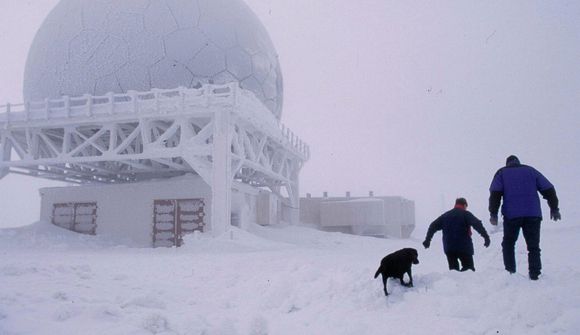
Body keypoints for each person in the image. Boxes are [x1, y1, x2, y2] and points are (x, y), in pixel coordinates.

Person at [489, 155, 561, 280]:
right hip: (533, 214)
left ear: (507, 164)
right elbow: (548, 188)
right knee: (533, 246)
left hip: (512, 215)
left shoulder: (502, 173)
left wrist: (493, 213)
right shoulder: (531, 171)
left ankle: (510, 272)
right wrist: (554, 208)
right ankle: (535, 274)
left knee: (509, 243)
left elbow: (495, 194)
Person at [422, 198, 490, 271]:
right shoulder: (465, 214)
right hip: (464, 247)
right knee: (469, 271)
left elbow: (433, 226)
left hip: (449, 248)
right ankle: (465, 281)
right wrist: (486, 237)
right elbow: (477, 224)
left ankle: (455, 281)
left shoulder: (445, 216)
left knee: (454, 273)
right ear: (464, 205)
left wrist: (427, 240)